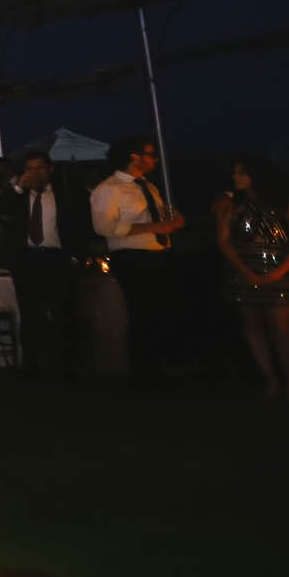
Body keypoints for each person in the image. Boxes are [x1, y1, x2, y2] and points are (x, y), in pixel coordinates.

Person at [92, 136, 191, 388]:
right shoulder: (109, 188)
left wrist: (173, 222)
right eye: (150, 154)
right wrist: (154, 226)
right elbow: (104, 226)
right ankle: (143, 374)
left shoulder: (149, 186)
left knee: (158, 313)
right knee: (143, 313)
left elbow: (159, 217)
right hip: (132, 256)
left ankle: (158, 368)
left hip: (158, 253)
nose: (155, 160)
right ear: (134, 157)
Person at [216, 159, 289, 400]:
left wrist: (279, 272)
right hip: (244, 268)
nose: (236, 177)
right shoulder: (234, 205)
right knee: (252, 324)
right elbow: (223, 240)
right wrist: (243, 270)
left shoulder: (286, 204)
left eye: (241, 173)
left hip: (281, 271)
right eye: (234, 173)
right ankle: (270, 379)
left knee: (282, 327)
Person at [9, 150, 87, 375]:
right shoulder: (18, 197)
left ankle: (67, 364)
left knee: (63, 311)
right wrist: (18, 188)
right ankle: (32, 364)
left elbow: (80, 226)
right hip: (27, 259)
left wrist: (76, 257)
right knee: (30, 312)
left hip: (57, 258)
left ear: (50, 169)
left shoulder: (66, 195)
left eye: (40, 167)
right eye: (29, 168)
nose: (35, 173)